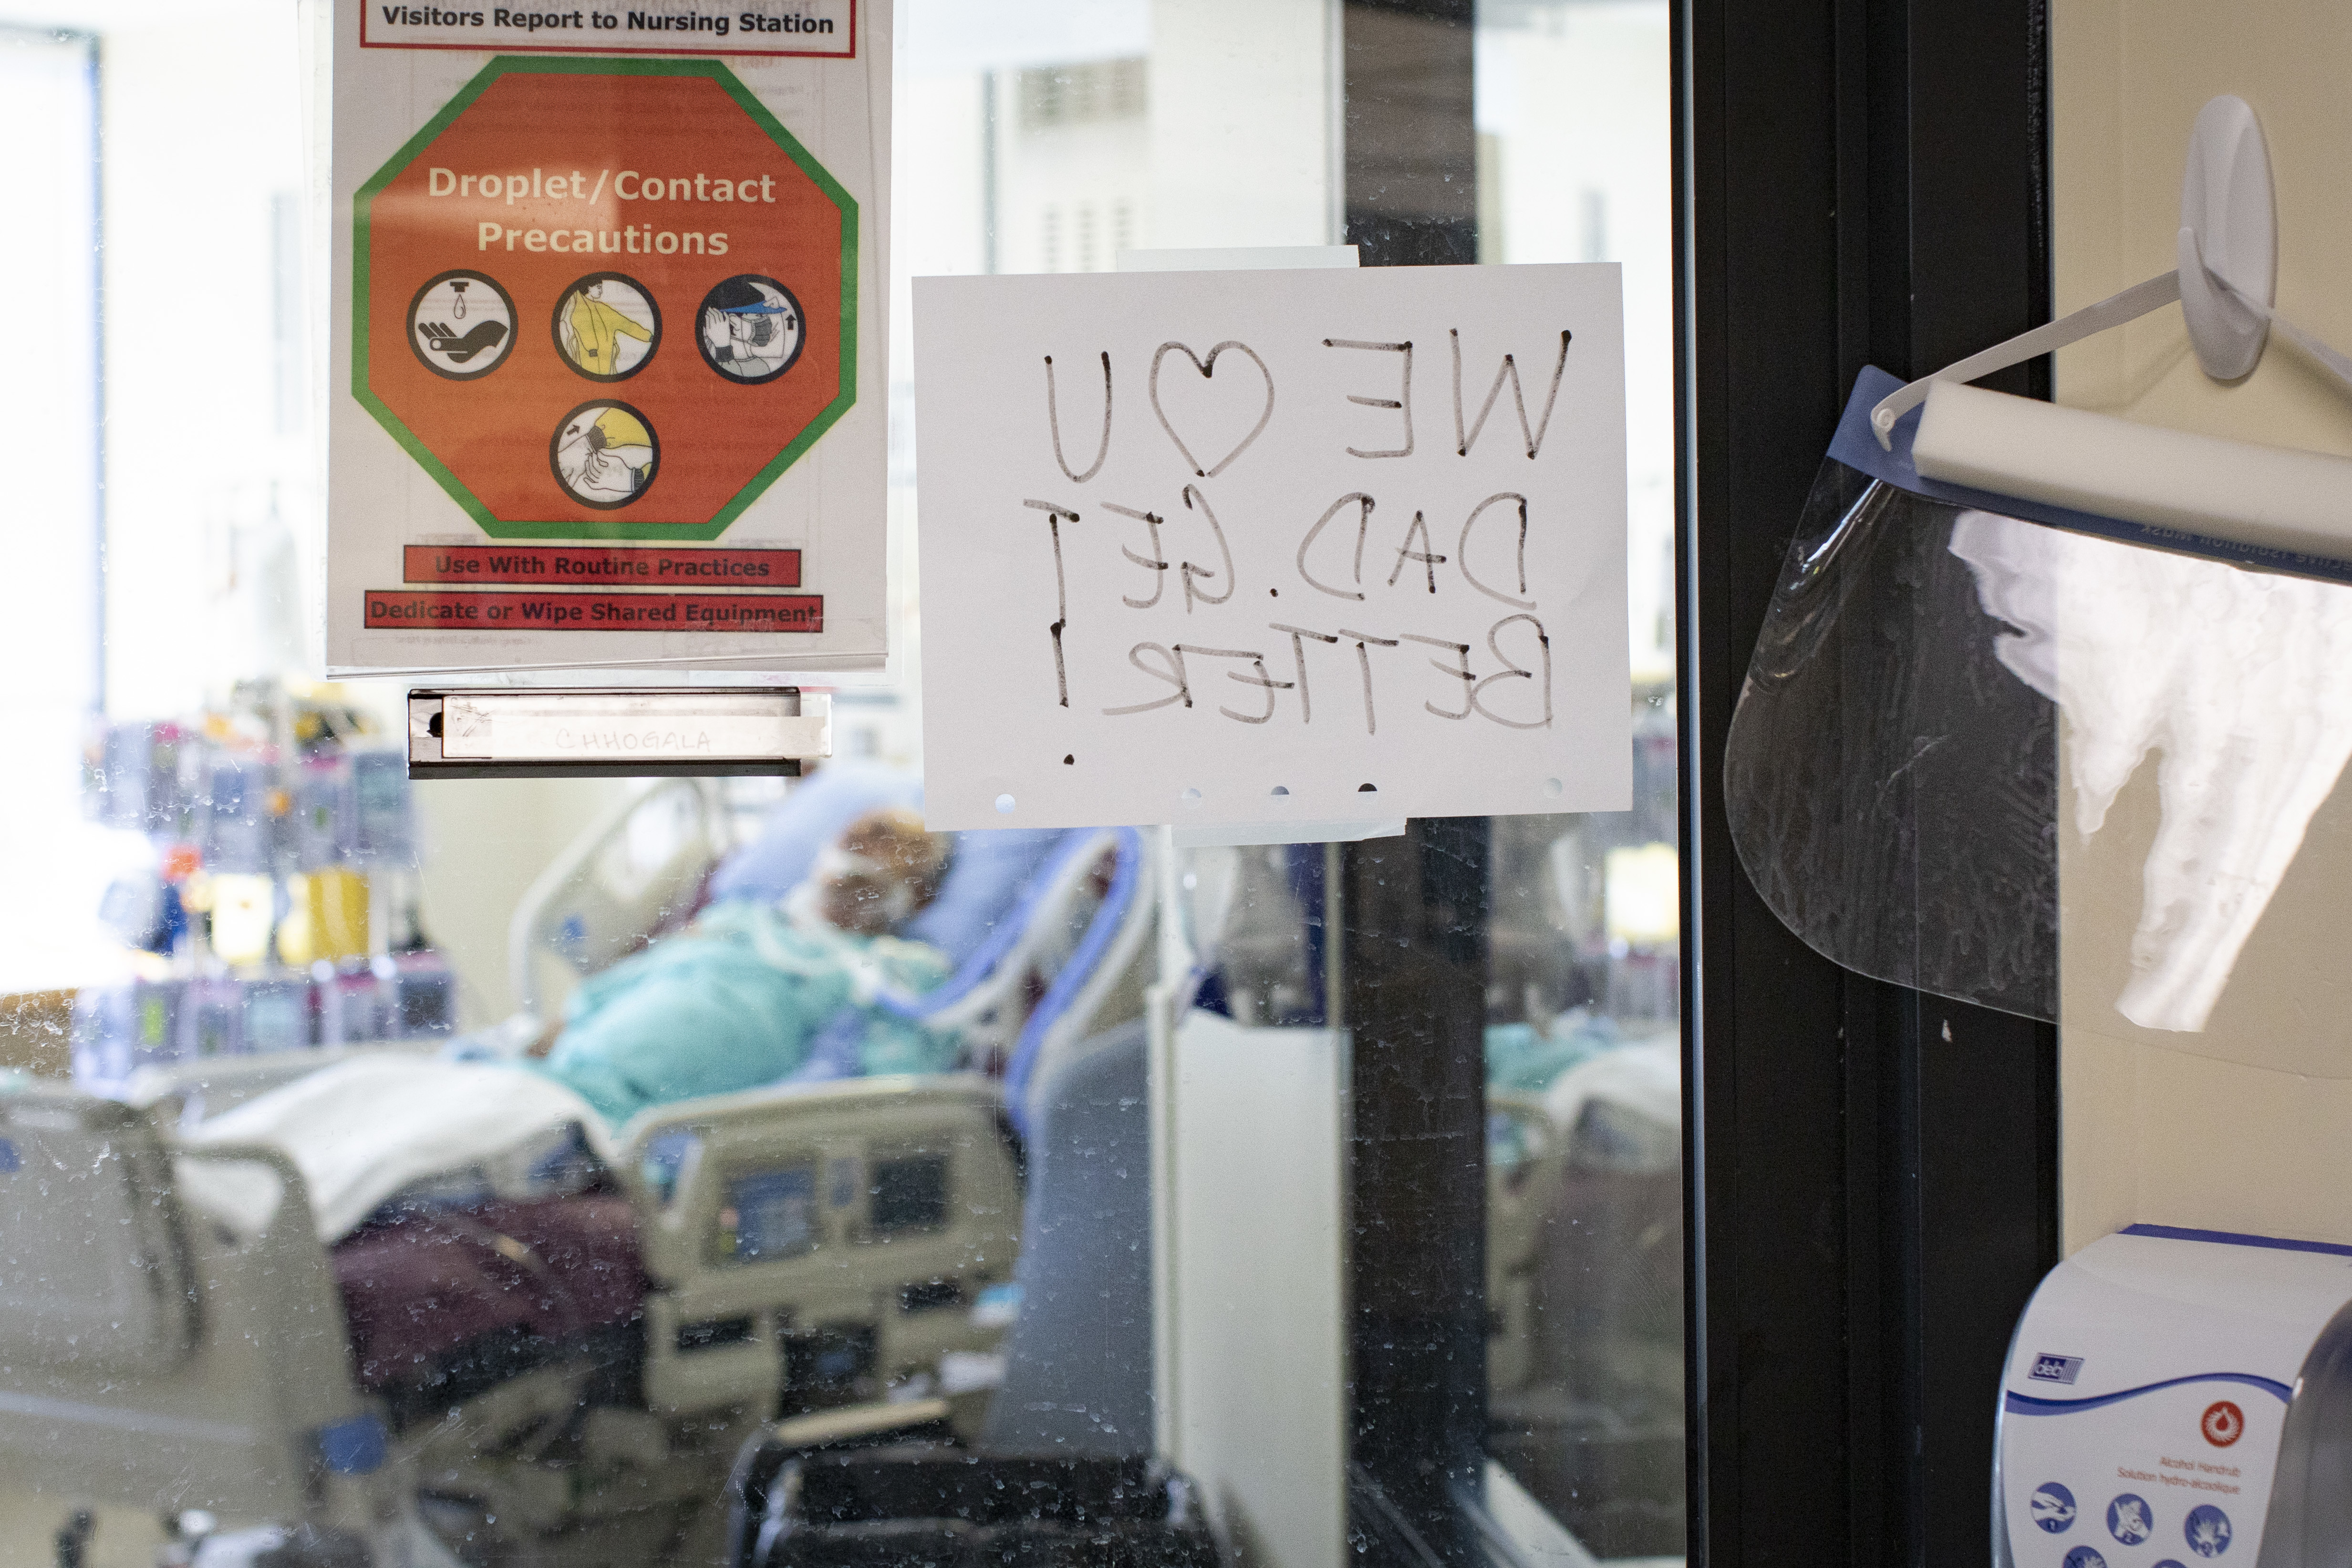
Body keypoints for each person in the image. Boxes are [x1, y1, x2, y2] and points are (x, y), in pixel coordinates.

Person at [530, 807, 962, 1125]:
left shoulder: (894, 976)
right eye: (856, 838)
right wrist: (542, 1037)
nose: (862, 849)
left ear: (919, 895)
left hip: (637, 1122)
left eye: (888, 844)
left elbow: (892, 1092)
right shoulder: (738, 919)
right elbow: (631, 981)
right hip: (571, 1071)